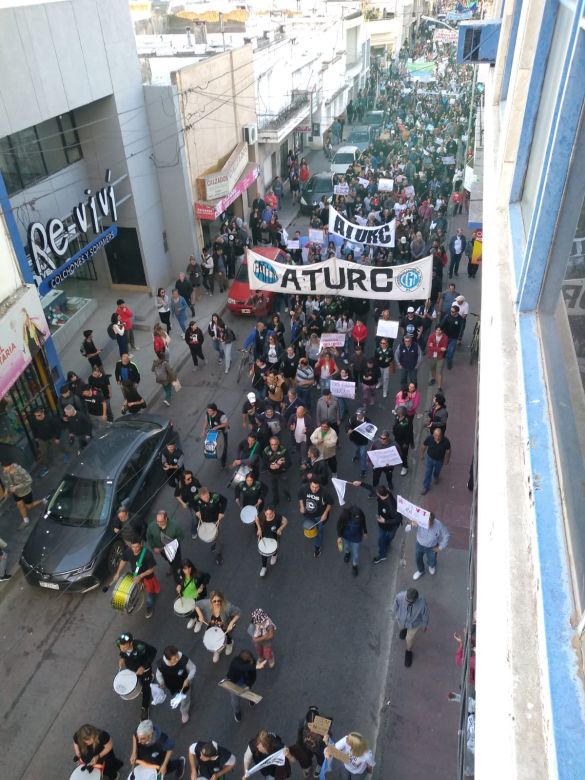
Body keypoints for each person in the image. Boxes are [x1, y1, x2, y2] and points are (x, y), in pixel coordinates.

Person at [108, 539, 159, 619]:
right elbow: (123, 560)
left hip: (147, 577)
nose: (135, 549)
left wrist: (140, 576)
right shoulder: (128, 552)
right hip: (135, 576)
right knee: (138, 589)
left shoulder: (147, 554)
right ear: (131, 545)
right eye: (133, 547)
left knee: (149, 594)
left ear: (141, 545)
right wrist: (118, 573)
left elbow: (152, 569)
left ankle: (149, 607)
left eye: (137, 547)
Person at [116, 632, 157, 719]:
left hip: (144, 671)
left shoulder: (140, 646)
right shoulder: (121, 647)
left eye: (124, 646)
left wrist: (143, 667)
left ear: (131, 643)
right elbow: (122, 653)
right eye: (120, 646)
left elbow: (153, 652)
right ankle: (147, 680)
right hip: (132, 670)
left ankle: (145, 707)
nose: (121, 648)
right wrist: (122, 658)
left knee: (146, 689)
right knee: (136, 681)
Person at [194, 590, 241, 663]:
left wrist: (231, 623)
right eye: (214, 601)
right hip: (212, 626)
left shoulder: (227, 607)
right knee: (213, 640)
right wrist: (200, 616)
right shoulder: (206, 603)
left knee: (227, 637)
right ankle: (216, 651)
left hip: (225, 627)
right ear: (210, 600)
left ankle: (229, 643)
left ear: (222, 599)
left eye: (219, 600)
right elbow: (196, 604)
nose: (217, 603)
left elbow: (238, 613)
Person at [155, 644, 196, 724]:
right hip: (172, 685)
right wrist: (161, 682)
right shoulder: (161, 665)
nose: (177, 659)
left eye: (177, 656)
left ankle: (184, 711)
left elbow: (193, 669)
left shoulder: (183, 659)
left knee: (185, 700)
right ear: (168, 659)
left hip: (184, 684)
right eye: (174, 659)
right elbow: (158, 674)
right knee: (178, 695)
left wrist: (188, 679)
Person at [287, 706, 332, 778]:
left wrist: (327, 740)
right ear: (306, 722)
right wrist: (299, 746)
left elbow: (329, 742)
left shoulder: (323, 725)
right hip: (306, 746)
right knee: (306, 758)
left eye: (314, 725)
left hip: (319, 749)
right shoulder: (303, 723)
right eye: (310, 725)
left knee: (320, 758)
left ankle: (319, 766)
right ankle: (307, 767)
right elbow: (299, 735)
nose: (312, 728)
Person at [1, 460, 46, 526]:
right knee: (20, 506)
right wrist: (6, 490)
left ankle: (42, 500)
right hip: (16, 493)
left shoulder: (20, 471)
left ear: (11, 465)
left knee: (29, 506)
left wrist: (16, 487)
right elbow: (7, 482)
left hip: (25, 492)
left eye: (5, 467)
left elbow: (29, 480)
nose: (4, 469)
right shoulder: (5, 472)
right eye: (3, 467)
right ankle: (26, 521)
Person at [407, 511, 450, 579]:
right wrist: (411, 525)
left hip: (432, 546)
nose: (427, 526)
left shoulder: (438, 524)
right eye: (426, 523)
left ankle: (431, 566)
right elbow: (407, 529)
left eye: (430, 524)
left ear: (433, 521)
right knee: (418, 559)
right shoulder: (419, 521)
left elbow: (446, 535)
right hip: (420, 545)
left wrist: (440, 547)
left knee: (432, 560)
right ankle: (420, 571)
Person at [393, 587, 429, 667]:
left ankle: (408, 651)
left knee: (409, 639)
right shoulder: (399, 596)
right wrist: (396, 615)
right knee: (401, 628)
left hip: (413, 625)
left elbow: (425, 615)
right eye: (406, 600)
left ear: (415, 600)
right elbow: (395, 607)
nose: (406, 603)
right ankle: (404, 630)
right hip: (401, 621)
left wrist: (424, 625)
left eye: (410, 602)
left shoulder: (422, 603)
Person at [298, 479, 333, 558]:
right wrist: (301, 506)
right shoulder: (304, 488)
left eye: (316, 487)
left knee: (319, 532)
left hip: (319, 517)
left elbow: (330, 503)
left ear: (319, 486)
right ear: (310, 485)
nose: (314, 489)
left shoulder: (324, 492)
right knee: (310, 526)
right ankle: (312, 532)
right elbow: (300, 496)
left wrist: (325, 513)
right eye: (313, 487)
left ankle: (317, 547)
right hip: (308, 514)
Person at [146, 509, 184, 582]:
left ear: (166, 518)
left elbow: (181, 536)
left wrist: (172, 543)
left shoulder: (175, 526)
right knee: (169, 560)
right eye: (157, 521)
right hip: (162, 551)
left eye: (161, 521)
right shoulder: (152, 526)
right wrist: (153, 547)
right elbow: (149, 537)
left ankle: (178, 578)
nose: (158, 523)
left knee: (176, 563)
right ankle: (173, 566)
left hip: (174, 550)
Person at [194, 487, 227, 566]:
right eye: (204, 497)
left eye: (207, 496)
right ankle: (214, 543)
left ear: (209, 492)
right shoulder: (197, 498)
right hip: (204, 520)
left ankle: (219, 554)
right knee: (210, 535)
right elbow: (193, 503)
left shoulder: (215, 496)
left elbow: (224, 501)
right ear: (200, 497)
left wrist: (221, 512)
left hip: (215, 519)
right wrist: (197, 511)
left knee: (218, 537)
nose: (207, 498)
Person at [176, 559, 210, 629]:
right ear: (182, 569)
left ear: (191, 567)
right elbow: (179, 581)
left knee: (196, 611)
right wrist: (179, 585)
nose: (188, 570)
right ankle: (193, 618)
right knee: (187, 612)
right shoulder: (180, 574)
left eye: (189, 567)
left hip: (196, 597)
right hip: (185, 598)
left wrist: (201, 586)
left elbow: (207, 576)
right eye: (185, 569)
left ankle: (198, 621)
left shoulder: (197, 574)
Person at [255, 505, 287, 577]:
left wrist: (280, 529)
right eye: (267, 514)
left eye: (270, 513)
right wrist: (259, 528)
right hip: (264, 536)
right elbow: (256, 519)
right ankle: (264, 567)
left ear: (273, 512)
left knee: (275, 547)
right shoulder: (261, 516)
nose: (268, 515)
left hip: (274, 536)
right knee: (263, 553)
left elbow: (285, 521)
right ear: (264, 513)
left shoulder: (278, 517)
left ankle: (274, 556)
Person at [226, 649, 257, 722]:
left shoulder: (252, 662)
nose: (251, 662)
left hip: (245, 681)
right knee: (235, 701)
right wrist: (253, 666)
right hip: (233, 683)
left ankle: (251, 699)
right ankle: (237, 712)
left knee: (249, 691)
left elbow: (253, 676)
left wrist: (249, 685)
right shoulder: (235, 662)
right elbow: (242, 668)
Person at [30, 408, 62, 477]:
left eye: (38, 415)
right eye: (35, 416)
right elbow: (34, 429)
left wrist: (57, 438)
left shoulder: (50, 419)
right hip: (42, 439)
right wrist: (36, 437)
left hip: (52, 437)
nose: (36, 417)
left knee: (55, 450)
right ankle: (46, 465)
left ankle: (58, 461)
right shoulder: (34, 421)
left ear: (42, 414)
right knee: (43, 453)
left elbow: (58, 428)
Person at [337, 504, 367, 576]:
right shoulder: (344, 516)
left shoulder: (360, 514)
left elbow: (363, 523)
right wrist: (339, 536)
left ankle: (354, 566)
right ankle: (347, 553)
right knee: (346, 546)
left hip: (356, 538)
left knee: (356, 554)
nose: (357, 520)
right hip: (346, 535)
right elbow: (339, 525)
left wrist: (365, 532)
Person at [420, 427, 451, 495]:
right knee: (428, 473)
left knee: (437, 471)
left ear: (441, 435)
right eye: (435, 435)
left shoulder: (446, 441)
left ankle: (436, 476)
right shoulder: (430, 438)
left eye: (437, 435)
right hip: (429, 459)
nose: (436, 437)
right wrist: (422, 455)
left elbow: (448, 451)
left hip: (439, 461)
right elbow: (423, 446)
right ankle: (426, 486)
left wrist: (447, 459)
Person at [262, 436, 291, 505]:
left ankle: (287, 495)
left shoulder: (283, 450)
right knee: (273, 487)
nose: (273, 446)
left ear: (278, 443)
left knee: (284, 486)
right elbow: (264, 463)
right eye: (272, 444)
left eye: (275, 444)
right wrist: (270, 466)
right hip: (272, 473)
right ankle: (275, 500)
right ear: (270, 444)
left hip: (282, 473)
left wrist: (282, 464)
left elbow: (289, 463)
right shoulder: (266, 451)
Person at [175, 471, 202, 539]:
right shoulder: (180, 485)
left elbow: (200, 488)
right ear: (183, 480)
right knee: (193, 519)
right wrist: (183, 503)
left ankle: (200, 522)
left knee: (200, 513)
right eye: (188, 479)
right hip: (189, 504)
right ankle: (194, 532)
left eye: (191, 477)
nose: (191, 479)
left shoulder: (194, 480)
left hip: (197, 501)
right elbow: (177, 495)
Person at [201, 402, 229, 468]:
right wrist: (203, 431)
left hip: (222, 431)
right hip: (213, 431)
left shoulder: (221, 415)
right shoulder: (207, 414)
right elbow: (206, 422)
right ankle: (217, 453)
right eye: (208, 410)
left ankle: (223, 461)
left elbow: (226, 424)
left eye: (210, 411)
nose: (208, 412)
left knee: (224, 446)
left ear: (214, 411)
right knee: (213, 444)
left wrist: (218, 427)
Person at [347, 408, 371, 479]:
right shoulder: (352, 418)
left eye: (360, 414)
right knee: (356, 449)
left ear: (363, 414)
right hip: (355, 439)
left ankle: (363, 470)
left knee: (363, 455)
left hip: (363, 441)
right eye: (358, 414)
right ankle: (356, 456)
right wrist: (348, 430)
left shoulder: (368, 421)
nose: (358, 416)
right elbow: (347, 426)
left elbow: (371, 430)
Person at [440, 303, 464, 370]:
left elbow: (461, 329)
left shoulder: (460, 319)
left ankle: (449, 361)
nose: (451, 312)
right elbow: (442, 324)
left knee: (450, 352)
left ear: (457, 312)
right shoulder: (447, 316)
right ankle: (443, 358)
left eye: (453, 312)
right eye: (451, 311)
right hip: (445, 336)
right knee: (443, 349)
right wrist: (439, 330)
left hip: (453, 338)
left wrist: (459, 338)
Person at [392, 405, 411, 477]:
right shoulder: (398, 418)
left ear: (401, 414)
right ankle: (400, 461)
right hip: (397, 439)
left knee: (404, 455)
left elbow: (409, 434)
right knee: (398, 452)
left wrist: (406, 443)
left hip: (403, 442)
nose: (396, 413)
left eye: (398, 412)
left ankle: (405, 467)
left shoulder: (406, 423)